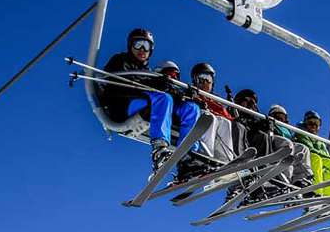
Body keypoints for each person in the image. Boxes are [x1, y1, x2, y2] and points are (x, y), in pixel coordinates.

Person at [100, 29, 200, 176]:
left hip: (148, 103)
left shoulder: (148, 72)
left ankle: (188, 156)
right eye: (138, 45)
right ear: (130, 46)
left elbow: (159, 89)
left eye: (146, 46)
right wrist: (155, 84)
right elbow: (115, 84)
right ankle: (159, 148)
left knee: (191, 108)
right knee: (163, 98)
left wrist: (184, 95)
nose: (142, 50)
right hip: (124, 106)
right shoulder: (120, 60)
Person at [189, 62, 237, 164]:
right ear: (195, 80)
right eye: (201, 78)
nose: (205, 82)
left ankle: (224, 160)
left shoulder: (215, 100)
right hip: (199, 118)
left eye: (208, 79)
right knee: (210, 118)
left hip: (213, 118)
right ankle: (205, 155)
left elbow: (225, 115)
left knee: (225, 122)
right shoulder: (191, 92)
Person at [296, 109, 330, 196]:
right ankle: (317, 192)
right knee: (316, 158)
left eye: (316, 123)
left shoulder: (320, 141)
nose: (313, 125)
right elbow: (310, 149)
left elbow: (326, 155)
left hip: (321, 157)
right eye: (310, 123)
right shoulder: (302, 133)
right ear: (305, 123)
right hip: (305, 158)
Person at [267, 104, 314, 186]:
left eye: (283, 117)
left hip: (288, 143)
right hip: (275, 140)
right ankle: (285, 178)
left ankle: (301, 178)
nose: (280, 119)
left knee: (303, 148)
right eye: (278, 116)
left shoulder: (286, 128)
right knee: (289, 146)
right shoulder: (271, 122)